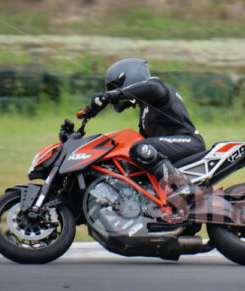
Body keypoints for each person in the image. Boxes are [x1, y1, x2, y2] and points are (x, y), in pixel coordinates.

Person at [83, 58, 205, 217]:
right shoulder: (145, 112)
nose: (129, 104)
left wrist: (110, 96)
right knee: (133, 155)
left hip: (188, 141)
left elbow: (151, 89)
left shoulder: (157, 88)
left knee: (140, 148)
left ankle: (182, 187)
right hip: (170, 148)